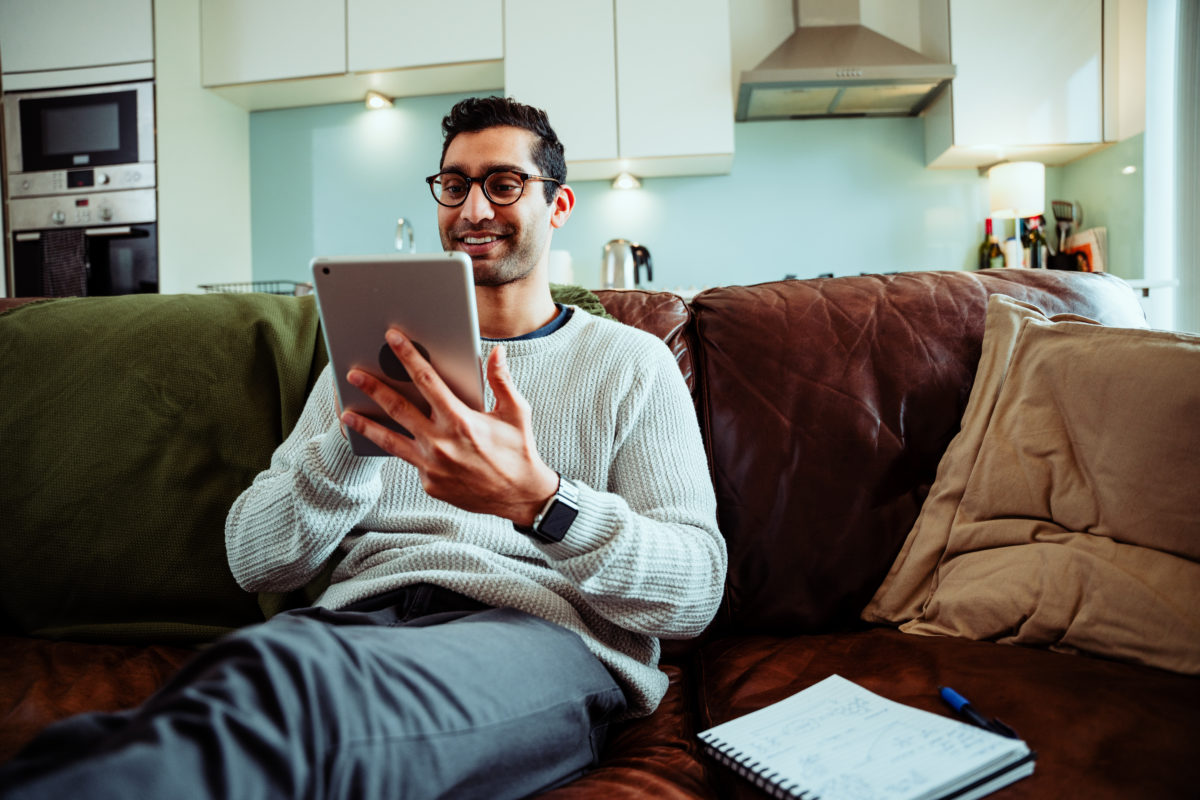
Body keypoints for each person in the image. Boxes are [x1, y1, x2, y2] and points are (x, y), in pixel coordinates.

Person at [0, 96, 725, 800]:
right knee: (235, 682)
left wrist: (544, 503)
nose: (473, 211)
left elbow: (694, 593)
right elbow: (256, 557)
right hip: (349, 624)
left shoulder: (631, 363)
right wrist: (353, 444)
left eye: (504, 185)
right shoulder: (375, 354)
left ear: (557, 204)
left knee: (286, 705)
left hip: (534, 637)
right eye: (454, 185)